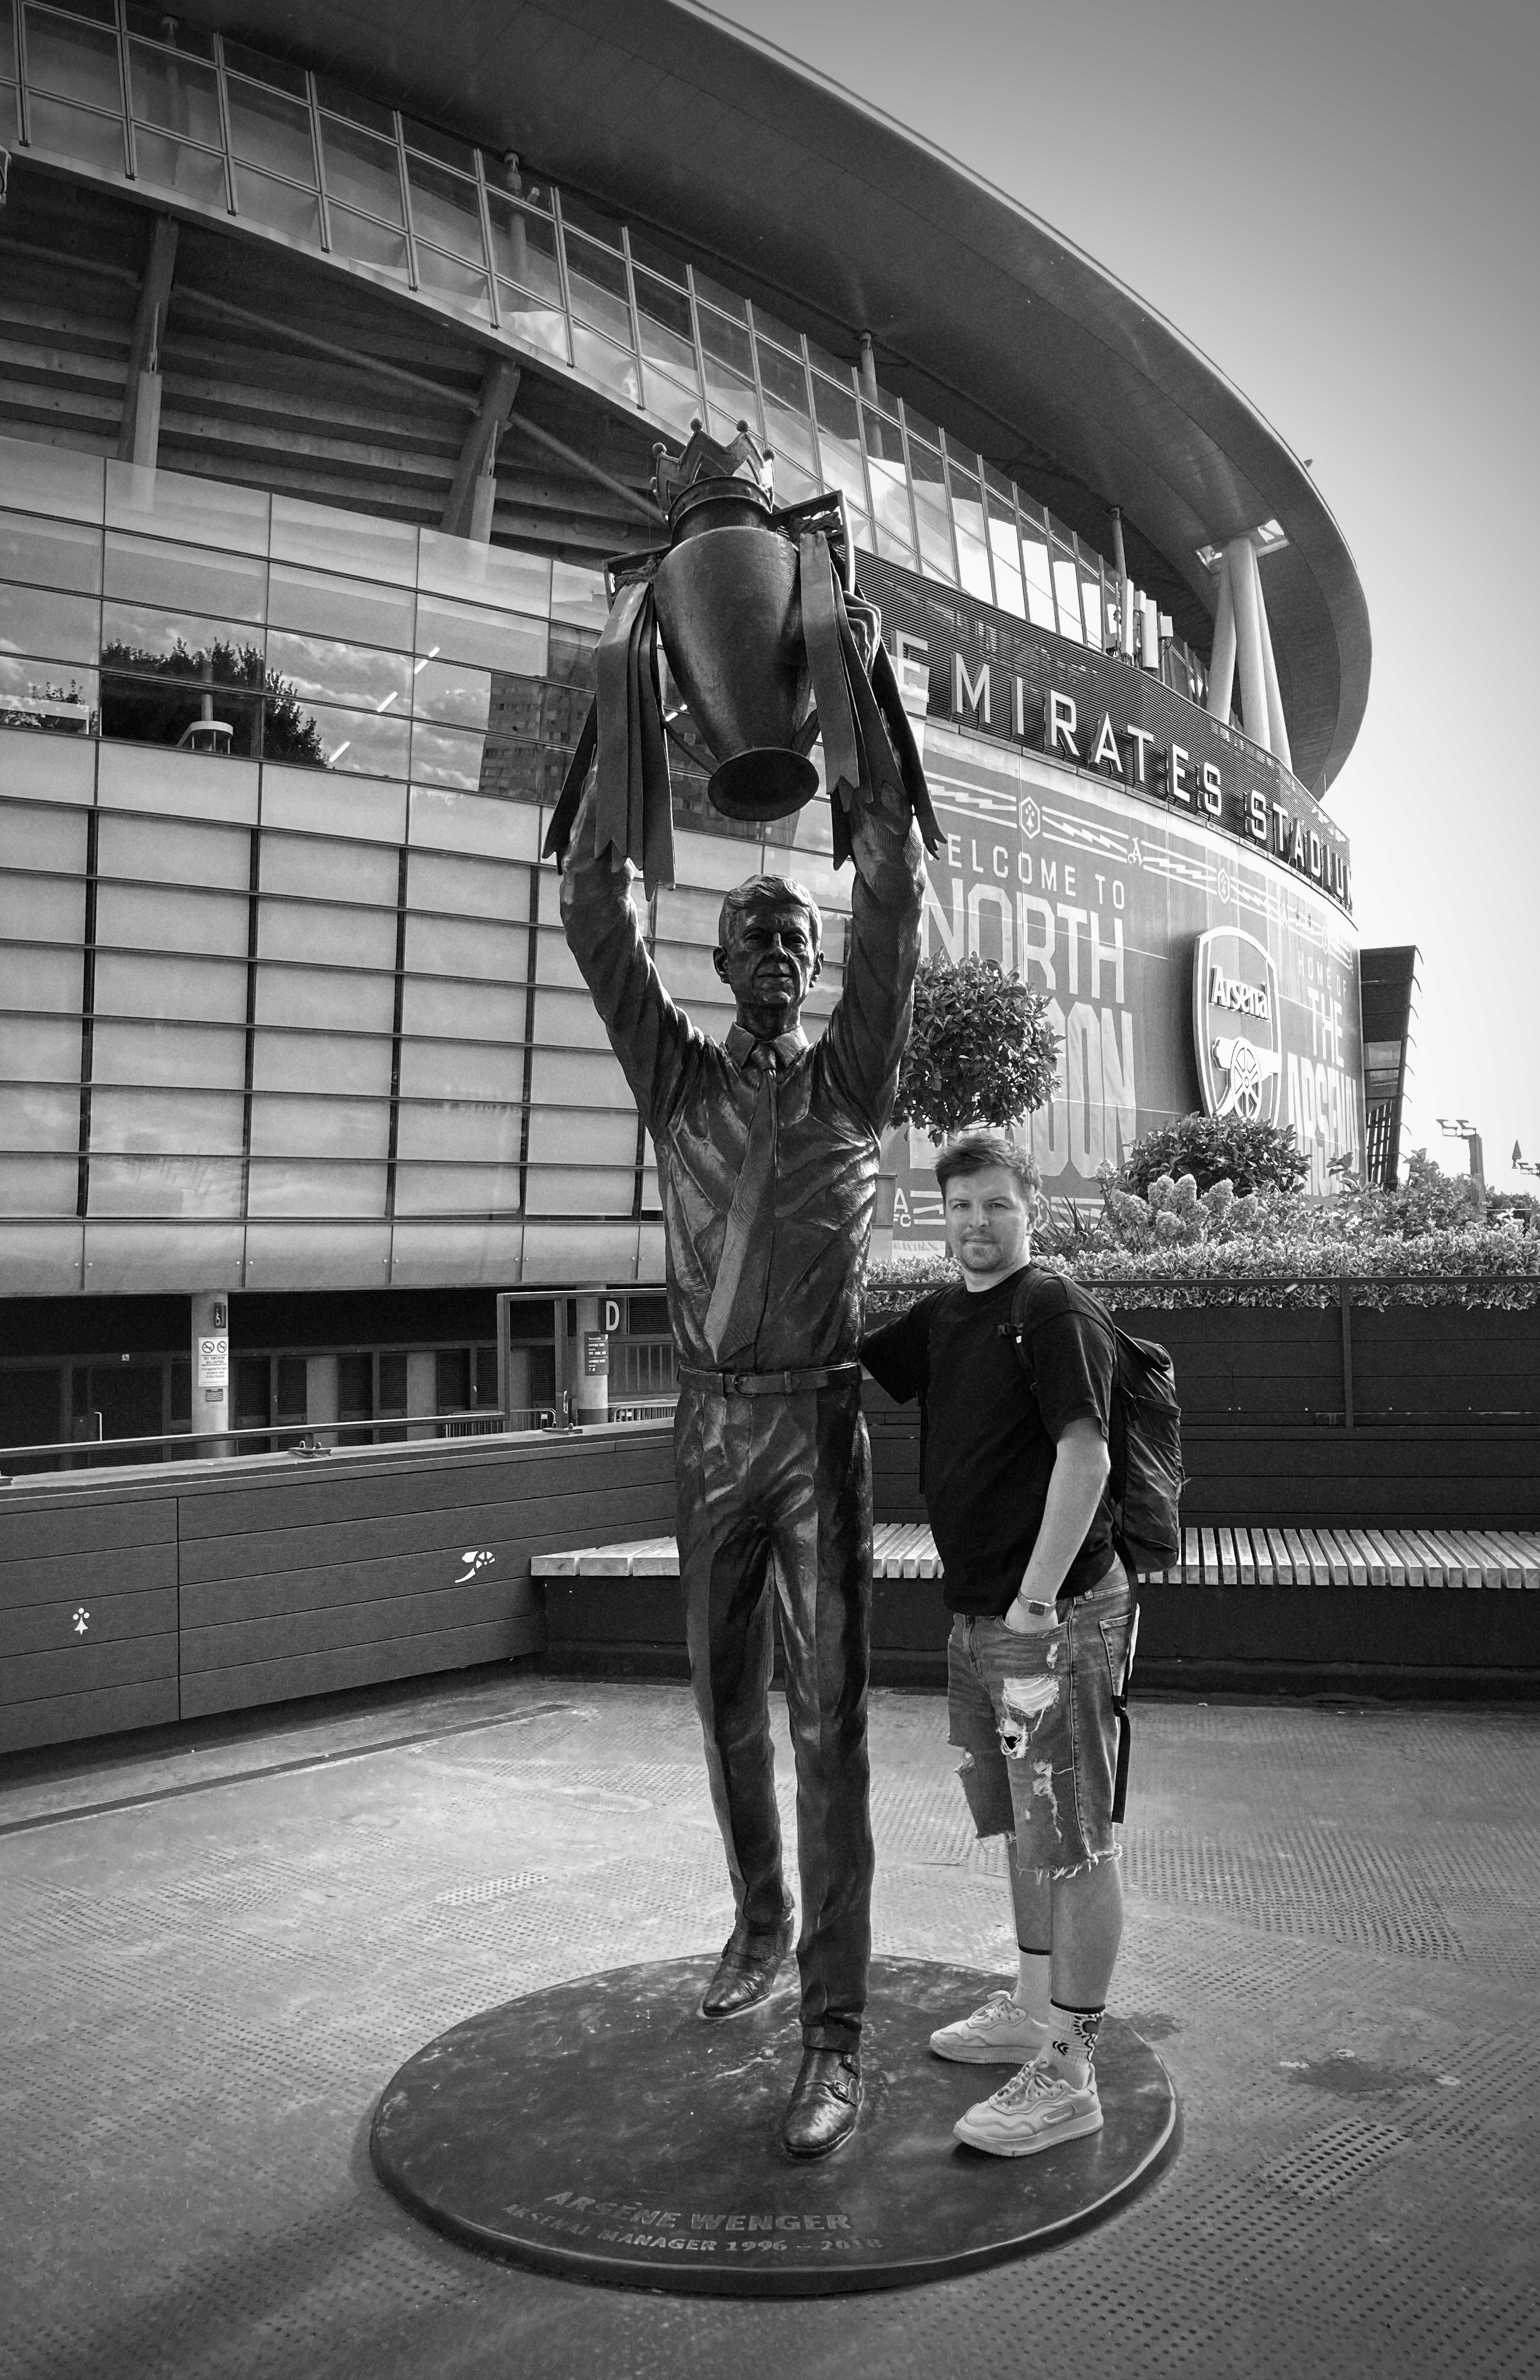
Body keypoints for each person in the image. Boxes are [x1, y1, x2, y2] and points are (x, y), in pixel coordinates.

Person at [560, 773, 923, 2159]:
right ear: (718, 964)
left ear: (818, 968)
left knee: (831, 1731)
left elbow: (896, 891)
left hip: (819, 1434)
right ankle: (761, 1921)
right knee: (724, 1706)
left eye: (797, 939)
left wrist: (867, 736)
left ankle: (835, 2034)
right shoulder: (678, 1083)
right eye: (753, 937)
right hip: (709, 1435)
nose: (778, 954)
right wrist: (616, 721)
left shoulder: (854, 1081)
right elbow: (597, 908)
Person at [861, 1128, 1136, 2156]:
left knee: (1072, 1839)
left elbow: (1088, 1455)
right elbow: (841, 1359)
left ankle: (1071, 2069)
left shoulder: (1049, 1309)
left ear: (1033, 1211)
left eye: (996, 1206)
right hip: (978, 1620)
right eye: (960, 1207)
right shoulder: (945, 1316)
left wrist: (1032, 1602)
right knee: (1023, 1829)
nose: (977, 1224)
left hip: (1047, 1621)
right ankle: (1031, 2007)